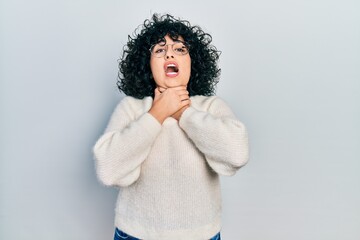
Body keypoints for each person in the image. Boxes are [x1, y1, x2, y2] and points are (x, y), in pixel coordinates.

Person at [93, 13, 249, 240]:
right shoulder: (132, 108)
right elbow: (108, 170)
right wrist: (157, 114)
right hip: (135, 235)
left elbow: (236, 154)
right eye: (159, 50)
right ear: (147, 65)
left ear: (192, 61)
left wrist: (183, 113)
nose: (169, 53)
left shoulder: (211, 107)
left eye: (179, 49)